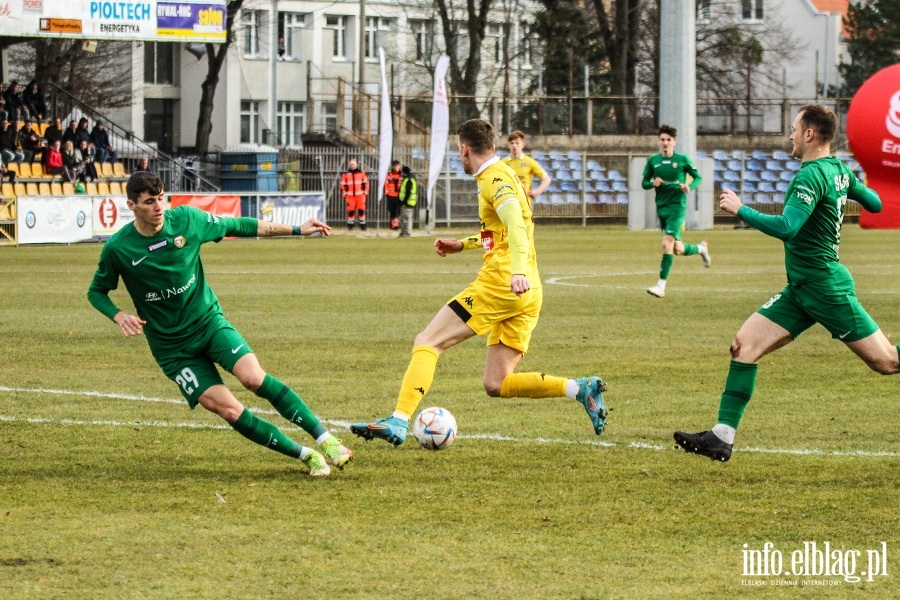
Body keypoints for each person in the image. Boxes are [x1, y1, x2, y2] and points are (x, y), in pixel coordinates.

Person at [350, 119, 609, 446]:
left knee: (428, 342)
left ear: (464, 148)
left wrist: (515, 271)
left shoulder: (494, 179)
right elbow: (501, 232)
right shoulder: (506, 173)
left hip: (504, 283)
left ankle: (399, 420)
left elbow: (515, 224)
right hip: (529, 290)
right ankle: (579, 389)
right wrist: (465, 244)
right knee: (496, 383)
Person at [87, 172, 353, 476]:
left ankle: (328, 441)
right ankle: (305, 455)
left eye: (161, 198)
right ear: (132, 205)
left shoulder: (187, 220)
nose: (158, 206)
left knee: (254, 379)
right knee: (228, 410)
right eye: (149, 202)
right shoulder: (119, 248)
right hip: (172, 349)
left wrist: (296, 229)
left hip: (208, 323)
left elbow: (238, 225)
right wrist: (118, 315)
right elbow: (96, 291)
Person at [674, 105, 893, 463]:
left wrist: (741, 210)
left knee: (887, 363)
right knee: (743, 346)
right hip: (801, 289)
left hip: (825, 287)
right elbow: (875, 203)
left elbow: (788, 227)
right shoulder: (836, 168)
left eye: (793, 129)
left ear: (809, 134)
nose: (790, 135)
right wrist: (850, 186)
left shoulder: (810, 176)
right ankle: (721, 437)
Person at [642, 125, 711, 298]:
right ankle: (700, 249)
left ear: (674, 142)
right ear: (659, 141)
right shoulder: (653, 161)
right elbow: (644, 182)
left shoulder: (681, 159)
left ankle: (661, 286)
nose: (665, 143)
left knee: (666, 244)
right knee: (677, 249)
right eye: (663, 139)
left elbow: (698, 177)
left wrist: (689, 186)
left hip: (677, 209)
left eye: (668, 140)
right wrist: (652, 184)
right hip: (662, 208)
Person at [504, 130, 551, 205]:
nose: (514, 145)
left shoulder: (529, 162)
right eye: (512, 143)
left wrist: (538, 191)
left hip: (524, 205)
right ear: (508, 145)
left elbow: (546, 179)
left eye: (517, 143)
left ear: (522, 145)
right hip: (508, 203)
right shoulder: (503, 163)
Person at [340, 158, 369, 230]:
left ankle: (363, 226)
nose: (351, 166)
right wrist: (345, 194)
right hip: (350, 196)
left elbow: (366, 183)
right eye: (350, 165)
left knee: (361, 210)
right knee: (350, 211)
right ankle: (350, 226)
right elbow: (342, 185)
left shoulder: (361, 173)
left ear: (356, 165)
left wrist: (365, 192)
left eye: (353, 164)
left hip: (360, 195)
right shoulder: (346, 174)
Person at [397, 165, 417, 238]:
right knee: (403, 219)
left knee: (407, 219)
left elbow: (408, 192)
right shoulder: (409, 178)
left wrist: (404, 202)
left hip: (408, 202)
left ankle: (407, 233)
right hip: (408, 202)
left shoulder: (409, 179)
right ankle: (403, 233)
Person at [383, 160, 402, 230]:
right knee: (392, 211)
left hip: (399, 196)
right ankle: (393, 225)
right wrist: (387, 194)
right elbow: (386, 185)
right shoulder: (389, 175)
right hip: (391, 196)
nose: (395, 167)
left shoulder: (402, 176)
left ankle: (398, 224)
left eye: (396, 165)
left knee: (399, 211)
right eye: (394, 165)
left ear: (399, 166)